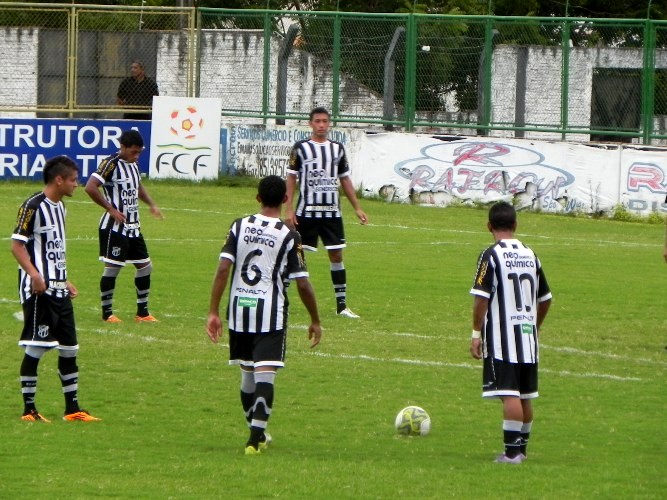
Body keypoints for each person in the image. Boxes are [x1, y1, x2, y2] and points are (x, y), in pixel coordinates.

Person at [206, 175, 322, 455]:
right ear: (285, 199)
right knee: (265, 375)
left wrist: (213, 311)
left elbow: (223, 269)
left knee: (247, 377)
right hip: (270, 314)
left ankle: (256, 432)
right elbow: (303, 282)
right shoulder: (290, 235)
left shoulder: (238, 226)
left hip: (239, 311)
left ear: (257, 198)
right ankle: (254, 439)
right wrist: (315, 319)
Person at [11, 155, 101, 423]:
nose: (77, 184)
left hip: (59, 288)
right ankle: (29, 410)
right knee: (36, 347)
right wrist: (35, 275)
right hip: (39, 292)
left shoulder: (60, 207)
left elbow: (53, 250)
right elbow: (17, 245)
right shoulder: (33, 206)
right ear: (58, 180)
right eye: (73, 179)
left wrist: (64, 278)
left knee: (70, 349)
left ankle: (72, 408)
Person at [469, 201, 552, 464]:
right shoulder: (531, 253)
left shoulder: (490, 255)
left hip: (501, 338)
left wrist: (475, 332)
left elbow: (481, 298)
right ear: (515, 225)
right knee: (525, 395)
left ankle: (511, 453)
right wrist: (535, 326)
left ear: (488, 226)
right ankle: (522, 450)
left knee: (509, 393)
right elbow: (546, 298)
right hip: (528, 337)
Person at [285, 107, 368, 319]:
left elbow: (345, 179)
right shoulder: (300, 148)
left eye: (325, 121)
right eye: (318, 121)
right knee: (295, 256)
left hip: (332, 214)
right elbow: (291, 179)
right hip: (307, 213)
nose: (322, 125)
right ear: (310, 124)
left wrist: (357, 207)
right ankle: (280, 299)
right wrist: (289, 209)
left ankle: (341, 306)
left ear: (329, 124)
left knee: (337, 254)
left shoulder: (338, 149)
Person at [85, 129, 163, 323]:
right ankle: (107, 313)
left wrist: (151, 204)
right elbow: (90, 187)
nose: (137, 156)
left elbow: (137, 187)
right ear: (123, 147)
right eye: (133, 152)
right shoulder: (110, 164)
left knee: (145, 266)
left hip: (134, 226)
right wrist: (110, 209)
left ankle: (142, 313)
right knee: (113, 268)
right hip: (114, 227)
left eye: (139, 152)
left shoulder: (133, 164)